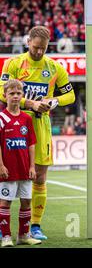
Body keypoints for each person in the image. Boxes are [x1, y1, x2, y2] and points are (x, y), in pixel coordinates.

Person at [0, 26, 76, 240]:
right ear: (28, 43)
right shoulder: (13, 63)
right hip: (13, 124)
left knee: (39, 177)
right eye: (35, 48)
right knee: (4, 175)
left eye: (43, 49)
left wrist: (52, 102)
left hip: (40, 127)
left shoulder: (54, 68)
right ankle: (3, 226)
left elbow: (70, 96)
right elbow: (1, 91)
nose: (39, 52)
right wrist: (30, 103)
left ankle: (34, 226)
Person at [0, 79, 41, 246]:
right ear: (5, 96)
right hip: (8, 169)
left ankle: (23, 235)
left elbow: (31, 144)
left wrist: (32, 166)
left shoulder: (26, 118)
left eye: (18, 93)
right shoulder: (1, 118)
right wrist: (1, 165)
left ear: (22, 95)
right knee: (6, 202)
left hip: (24, 168)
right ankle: (6, 237)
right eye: (12, 94)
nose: (15, 97)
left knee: (26, 201)